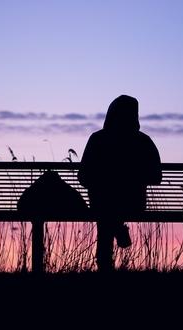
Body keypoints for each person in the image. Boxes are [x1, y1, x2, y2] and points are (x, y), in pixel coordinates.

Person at [78, 95, 162, 271]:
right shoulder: (143, 141)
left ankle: (105, 265)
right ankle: (117, 229)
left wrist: (105, 179)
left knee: (105, 213)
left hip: (103, 203)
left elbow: (83, 176)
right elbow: (156, 176)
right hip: (133, 202)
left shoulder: (98, 139)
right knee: (108, 211)